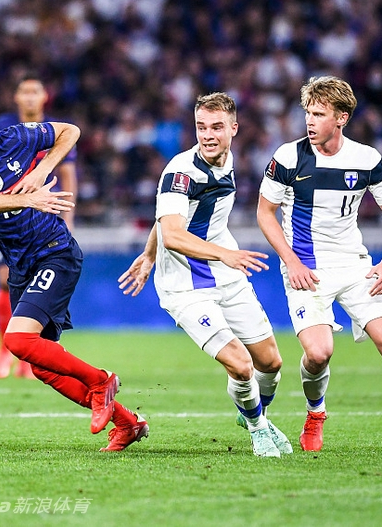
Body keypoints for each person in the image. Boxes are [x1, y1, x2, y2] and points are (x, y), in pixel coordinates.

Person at [0, 96, 146, 452]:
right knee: (42, 365)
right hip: (22, 266)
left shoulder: (14, 138)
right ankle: (127, 422)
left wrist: (41, 169)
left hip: (55, 252)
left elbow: (70, 131)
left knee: (18, 341)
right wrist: (28, 198)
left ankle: (102, 381)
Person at [256, 75, 382, 452]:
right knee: (318, 353)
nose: (310, 121)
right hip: (306, 268)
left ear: (341, 118)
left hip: (354, 265)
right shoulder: (288, 157)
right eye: (308, 113)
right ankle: (315, 414)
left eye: (319, 114)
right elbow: (265, 212)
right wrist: (291, 261)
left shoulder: (367, 159)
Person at [118, 92, 291, 458]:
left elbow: (170, 216)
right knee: (241, 365)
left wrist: (149, 253)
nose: (208, 135)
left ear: (234, 129)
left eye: (216, 127)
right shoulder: (181, 173)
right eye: (201, 127)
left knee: (271, 364)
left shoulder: (228, 161)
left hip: (225, 276)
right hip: (185, 285)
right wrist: (222, 254)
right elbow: (173, 233)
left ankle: (250, 412)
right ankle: (258, 428)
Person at [0, 75, 77, 380]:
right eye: (24, 92)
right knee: (5, 279)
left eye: (35, 91)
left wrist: (69, 217)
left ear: (45, 97)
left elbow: (68, 174)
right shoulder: (3, 126)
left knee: (37, 284)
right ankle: (4, 350)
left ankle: (30, 354)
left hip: (44, 218)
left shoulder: (55, 131)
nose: (29, 97)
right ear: (16, 97)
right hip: (7, 216)